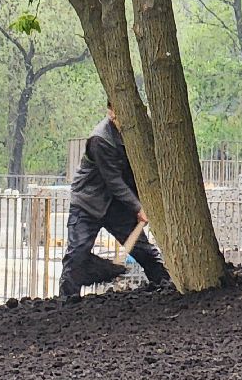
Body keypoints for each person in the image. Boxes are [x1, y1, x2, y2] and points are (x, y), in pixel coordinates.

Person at [59, 103, 171, 302]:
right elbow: (113, 180)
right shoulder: (100, 140)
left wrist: (144, 202)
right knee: (76, 256)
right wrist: (138, 207)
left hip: (118, 206)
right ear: (111, 113)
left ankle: (169, 291)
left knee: (145, 252)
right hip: (88, 202)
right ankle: (67, 303)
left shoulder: (136, 136)